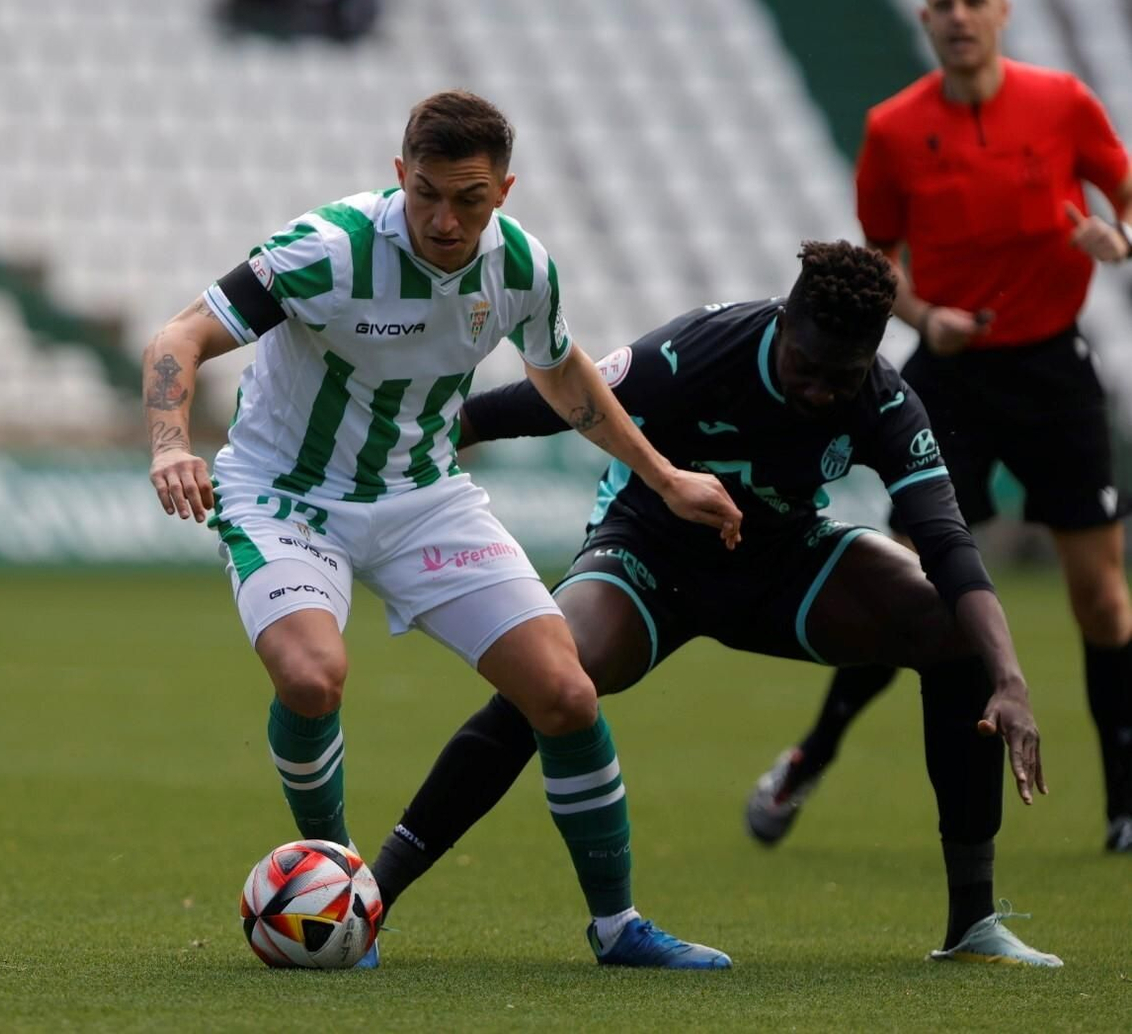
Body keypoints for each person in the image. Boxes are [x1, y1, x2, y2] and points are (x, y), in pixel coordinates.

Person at [143, 90, 743, 969]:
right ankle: (343, 895)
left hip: (425, 496)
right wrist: (169, 445)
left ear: (504, 188)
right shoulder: (331, 248)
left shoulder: (523, 267)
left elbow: (561, 370)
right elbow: (180, 335)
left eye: (468, 197)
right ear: (400, 176)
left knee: (568, 695)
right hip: (285, 492)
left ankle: (618, 928)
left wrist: (664, 475)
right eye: (426, 192)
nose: (445, 217)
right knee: (312, 678)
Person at [369, 241, 1062, 966]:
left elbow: (948, 542)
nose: (823, 392)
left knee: (958, 631)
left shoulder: (885, 398)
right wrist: (426, 443)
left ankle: (972, 926)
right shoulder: (704, 348)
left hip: (783, 563)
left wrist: (1009, 677)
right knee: (550, 676)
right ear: (783, 324)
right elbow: (553, 402)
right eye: (808, 368)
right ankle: (372, 896)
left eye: (842, 377)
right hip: (647, 555)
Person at [746, 0, 1132, 856]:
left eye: (974, 1)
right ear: (924, 20)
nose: (959, 17)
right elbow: (880, 264)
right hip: (950, 377)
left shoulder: (1065, 103)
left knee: (1102, 598)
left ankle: (1123, 805)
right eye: (944, 4)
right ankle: (810, 758)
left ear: (1002, 11)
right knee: (912, 587)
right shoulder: (893, 127)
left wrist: (1115, 238)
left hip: (1055, 371)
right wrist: (926, 318)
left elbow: (1123, 199)